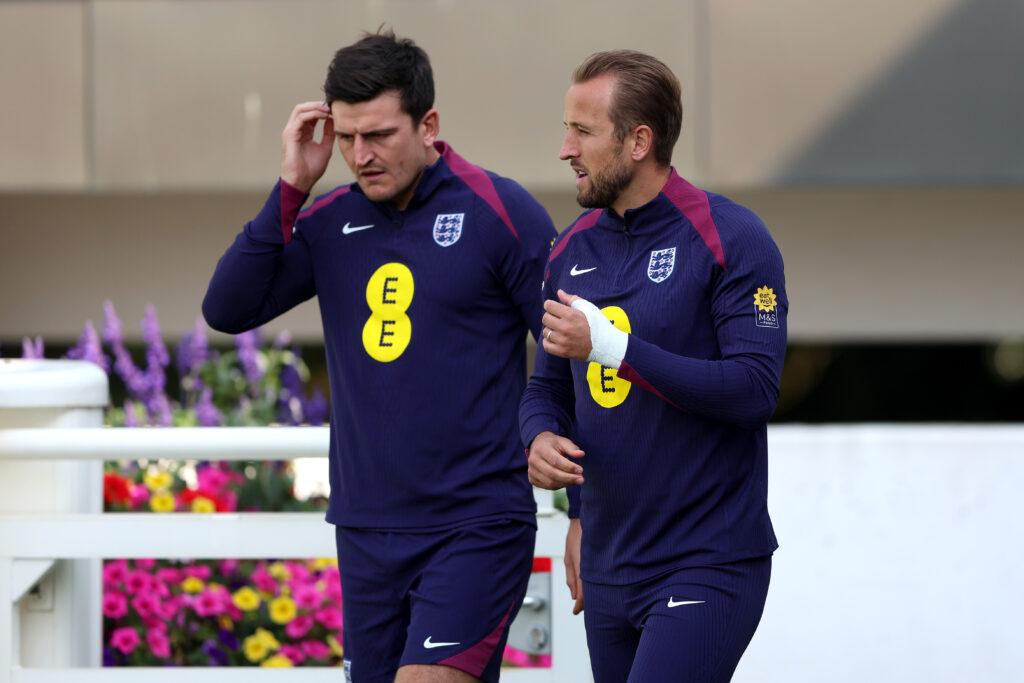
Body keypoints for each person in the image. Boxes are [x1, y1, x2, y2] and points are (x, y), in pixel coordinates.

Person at [203, 29, 556, 683]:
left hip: (478, 522)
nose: (360, 155)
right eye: (346, 137)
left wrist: (581, 506)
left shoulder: (500, 211)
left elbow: (568, 356)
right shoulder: (328, 221)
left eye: (379, 135)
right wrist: (291, 186)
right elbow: (227, 308)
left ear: (429, 125)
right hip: (366, 529)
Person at [519, 49, 787, 683]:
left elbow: (754, 390)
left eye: (582, 132)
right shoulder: (569, 249)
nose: (565, 150)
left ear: (639, 141)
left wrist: (613, 348)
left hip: (707, 560)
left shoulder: (732, 236)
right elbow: (548, 390)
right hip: (608, 568)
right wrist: (539, 438)